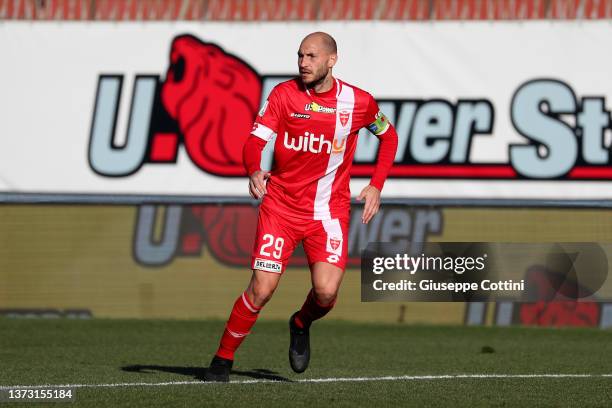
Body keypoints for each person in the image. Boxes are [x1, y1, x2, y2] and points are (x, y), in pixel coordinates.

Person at [204, 31, 399, 382]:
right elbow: (255, 140)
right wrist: (253, 169)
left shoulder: (358, 102)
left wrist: (376, 186)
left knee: (326, 292)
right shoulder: (283, 95)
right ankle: (222, 358)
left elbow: (389, 136)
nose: (303, 63)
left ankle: (300, 322)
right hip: (280, 208)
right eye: (300, 56)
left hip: (328, 213)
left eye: (311, 57)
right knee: (261, 288)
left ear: (331, 60)